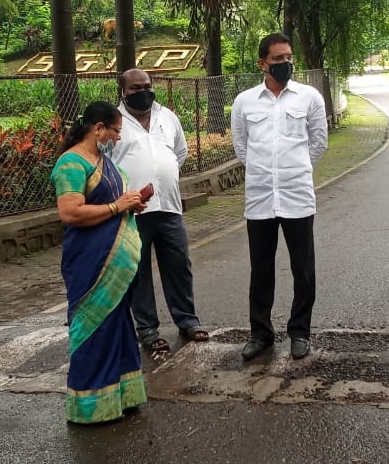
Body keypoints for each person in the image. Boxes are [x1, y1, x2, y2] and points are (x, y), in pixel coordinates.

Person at [231, 33, 328, 361]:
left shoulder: (309, 97)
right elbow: (241, 147)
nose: (285, 64)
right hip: (259, 199)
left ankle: (300, 332)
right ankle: (261, 334)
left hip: (297, 196)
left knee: (303, 269)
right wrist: (265, 171)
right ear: (262, 64)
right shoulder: (245, 101)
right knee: (261, 269)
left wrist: (294, 169)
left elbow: (318, 142)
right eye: (278, 59)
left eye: (289, 58)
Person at [52, 101, 149, 424]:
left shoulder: (103, 161)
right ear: (98, 129)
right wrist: (116, 206)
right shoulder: (71, 164)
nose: (118, 138)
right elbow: (70, 213)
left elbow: (113, 203)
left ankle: (122, 396)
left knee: (118, 327)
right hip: (91, 262)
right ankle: (92, 406)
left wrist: (130, 204)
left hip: (116, 264)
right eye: (116, 131)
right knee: (95, 327)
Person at [110, 68, 208, 354]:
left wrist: (166, 175)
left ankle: (187, 320)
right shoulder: (115, 122)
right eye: (135, 88)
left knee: (179, 266)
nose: (143, 92)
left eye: (147, 86)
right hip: (134, 211)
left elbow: (180, 151)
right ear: (123, 92)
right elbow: (105, 159)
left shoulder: (168, 116)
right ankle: (148, 329)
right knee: (138, 273)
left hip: (169, 206)